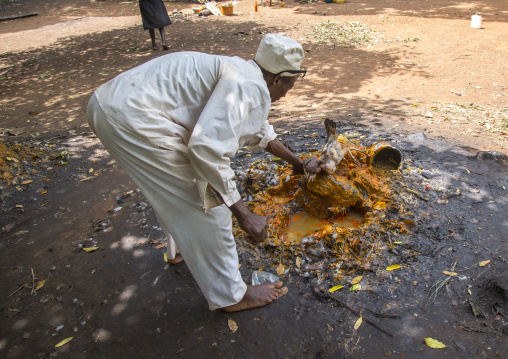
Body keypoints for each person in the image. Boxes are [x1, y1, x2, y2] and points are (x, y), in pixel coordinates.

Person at [87, 33, 321, 312]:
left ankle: (179, 251)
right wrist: (244, 216)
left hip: (111, 105)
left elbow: (260, 132)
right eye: (290, 85)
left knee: (176, 193)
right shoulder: (247, 85)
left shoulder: (244, 73)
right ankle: (233, 296)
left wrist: (300, 163)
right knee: (208, 204)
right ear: (279, 79)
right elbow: (206, 151)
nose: (287, 93)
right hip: (132, 116)